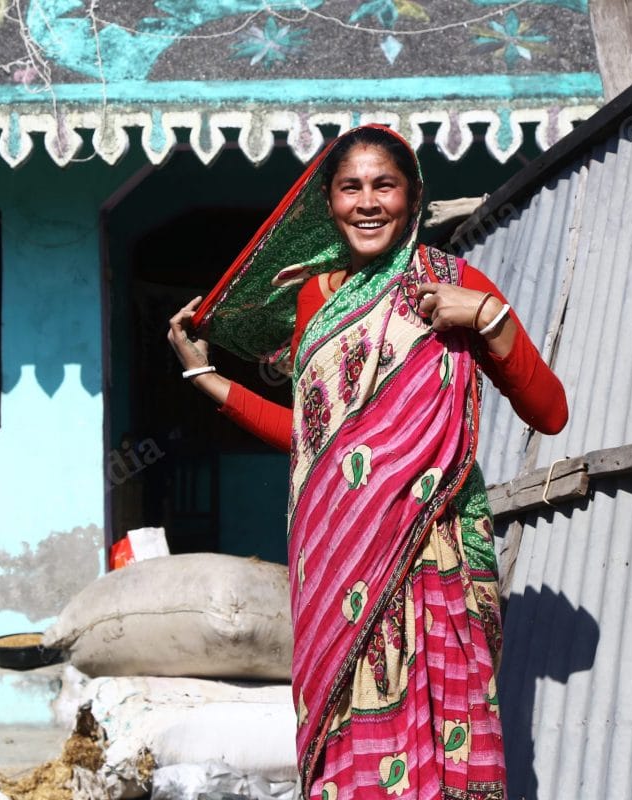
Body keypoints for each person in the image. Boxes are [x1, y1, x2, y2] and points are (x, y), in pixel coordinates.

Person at [166, 125, 567, 800]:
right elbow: (319, 443)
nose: (368, 201)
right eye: (352, 187)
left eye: (385, 184)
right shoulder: (315, 300)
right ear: (330, 204)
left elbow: (550, 412)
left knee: (447, 731)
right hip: (341, 564)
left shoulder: (454, 284)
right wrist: (210, 382)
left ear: (412, 199)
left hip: (437, 554)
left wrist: (490, 317)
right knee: (351, 740)